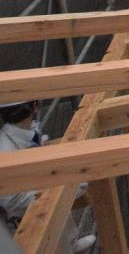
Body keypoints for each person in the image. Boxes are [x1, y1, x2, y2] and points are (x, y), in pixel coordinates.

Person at [0, 101, 96, 253]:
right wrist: (53, 192)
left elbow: (35, 140)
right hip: (26, 214)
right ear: (35, 107)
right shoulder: (5, 149)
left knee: (62, 223)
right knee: (47, 238)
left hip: (38, 183)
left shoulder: (26, 128)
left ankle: (71, 244)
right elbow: (12, 201)